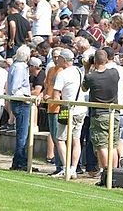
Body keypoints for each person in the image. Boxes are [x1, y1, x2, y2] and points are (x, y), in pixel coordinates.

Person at [82, 49, 121, 179]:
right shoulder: (114, 73)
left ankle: (106, 173)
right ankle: (114, 174)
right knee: (113, 145)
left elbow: (84, 88)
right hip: (114, 114)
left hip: (99, 115)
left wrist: (87, 68)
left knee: (101, 145)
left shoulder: (90, 76)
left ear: (95, 61)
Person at [52, 48, 86, 178]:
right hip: (81, 109)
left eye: (60, 58)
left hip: (67, 109)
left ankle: (66, 167)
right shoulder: (79, 71)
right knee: (76, 139)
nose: (57, 60)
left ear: (64, 60)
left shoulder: (62, 74)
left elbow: (56, 96)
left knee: (60, 139)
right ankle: (73, 168)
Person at [6, 46, 32, 171]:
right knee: (22, 134)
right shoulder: (20, 67)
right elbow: (16, 87)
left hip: (18, 101)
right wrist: (26, 96)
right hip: (21, 101)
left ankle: (18, 161)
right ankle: (20, 162)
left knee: (22, 133)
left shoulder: (16, 66)